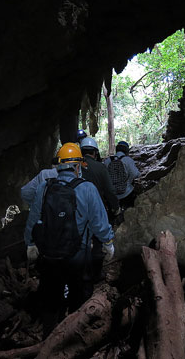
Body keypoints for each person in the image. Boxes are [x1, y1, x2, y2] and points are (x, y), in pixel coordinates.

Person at [24, 143, 115, 338]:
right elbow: (99, 222)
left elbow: (33, 219)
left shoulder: (45, 187)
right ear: (77, 166)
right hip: (77, 255)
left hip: (49, 255)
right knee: (79, 295)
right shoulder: (87, 189)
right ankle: (73, 338)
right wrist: (108, 242)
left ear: (59, 166)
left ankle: (49, 337)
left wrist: (30, 244)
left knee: (50, 297)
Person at [80, 137, 120, 279]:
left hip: (78, 209)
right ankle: (96, 274)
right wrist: (115, 207)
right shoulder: (100, 167)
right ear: (95, 152)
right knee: (97, 242)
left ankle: (80, 272)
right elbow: (109, 190)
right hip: (97, 208)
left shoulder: (75, 166)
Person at [104, 141, 140, 212]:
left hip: (113, 195)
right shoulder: (128, 160)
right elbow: (135, 174)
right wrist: (128, 181)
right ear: (126, 150)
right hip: (127, 193)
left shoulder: (107, 161)